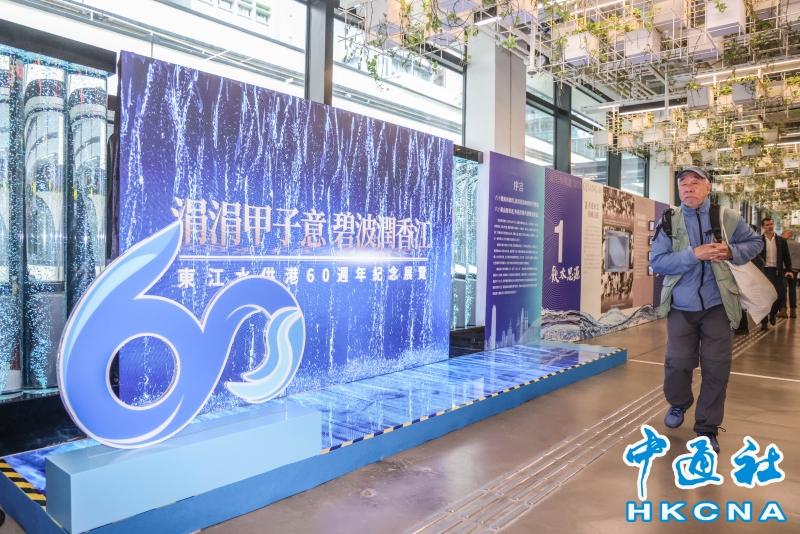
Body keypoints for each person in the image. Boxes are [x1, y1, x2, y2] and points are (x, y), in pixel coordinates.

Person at [650, 167, 763, 453]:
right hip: (681, 306)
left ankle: (707, 428)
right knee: (677, 362)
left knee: (716, 367)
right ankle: (679, 403)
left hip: (718, 306)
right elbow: (658, 262)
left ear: (708, 187)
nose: (688, 188)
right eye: (683, 184)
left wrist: (731, 251)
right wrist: (694, 254)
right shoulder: (669, 220)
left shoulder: (728, 217)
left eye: (695, 183)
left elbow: (755, 243)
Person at [758, 218, 792, 330]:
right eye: (767, 224)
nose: (770, 226)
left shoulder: (781, 240)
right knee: (764, 297)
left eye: (771, 224)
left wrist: (789, 270)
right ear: (763, 227)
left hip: (777, 271)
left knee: (780, 295)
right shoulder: (758, 240)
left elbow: (786, 256)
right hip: (764, 271)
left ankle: (772, 313)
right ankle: (764, 321)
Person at [778, 230, 800, 318]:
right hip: (795, 269)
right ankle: (793, 311)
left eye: (782, 234)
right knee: (792, 289)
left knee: (783, 289)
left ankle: (783, 310)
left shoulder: (783, 243)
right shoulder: (798, 244)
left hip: (785, 269)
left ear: (786, 235)